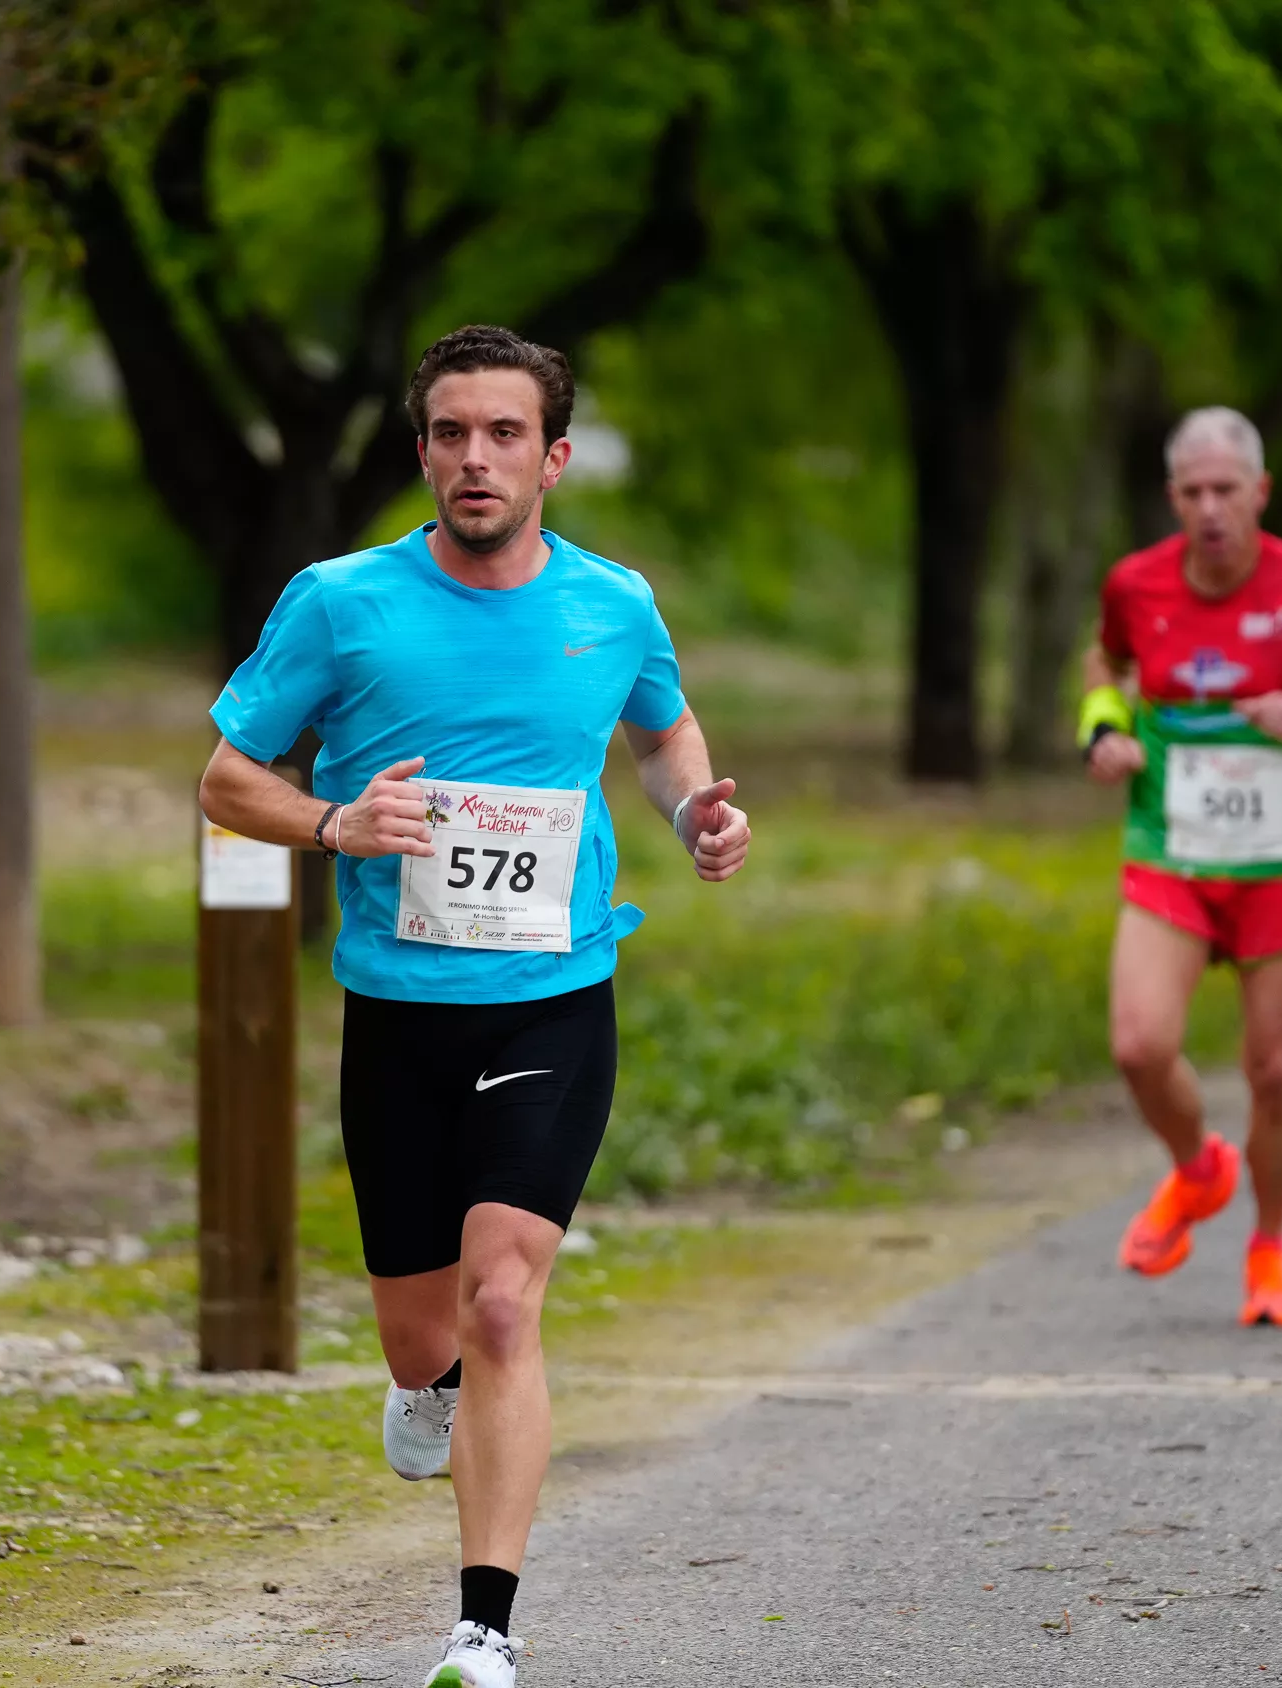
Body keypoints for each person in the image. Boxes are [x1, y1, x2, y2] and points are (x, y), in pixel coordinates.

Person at [196, 324, 750, 1688]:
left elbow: (662, 727)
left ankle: (482, 1631)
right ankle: (420, 1386)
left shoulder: (613, 604)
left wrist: (694, 812)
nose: (474, 458)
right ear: (423, 450)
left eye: (504, 434)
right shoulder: (339, 603)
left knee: (507, 1299)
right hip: (396, 1009)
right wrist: (332, 821)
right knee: (424, 1328)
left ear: (553, 457)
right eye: (450, 433)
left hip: (555, 998)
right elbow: (224, 779)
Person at [1077, 407, 1282, 1329]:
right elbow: (1105, 664)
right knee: (1139, 1044)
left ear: (1261, 492)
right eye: (1193, 492)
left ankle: (1269, 1247)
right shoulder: (1135, 584)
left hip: (1278, 862)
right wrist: (1102, 729)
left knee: (1275, 1072)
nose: (1211, 508)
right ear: (1172, 497)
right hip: (1171, 850)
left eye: (1228, 490)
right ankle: (1199, 1166)